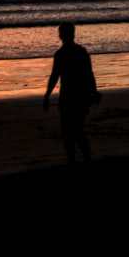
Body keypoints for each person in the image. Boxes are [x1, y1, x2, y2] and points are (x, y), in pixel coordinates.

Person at [43, 22, 102, 163]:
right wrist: (93, 92)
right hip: (79, 96)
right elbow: (89, 74)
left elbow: (54, 76)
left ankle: (76, 160)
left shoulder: (61, 54)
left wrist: (47, 96)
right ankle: (83, 158)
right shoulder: (80, 52)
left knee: (70, 132)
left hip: (71, 97)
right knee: (75, 130)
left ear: (61, 35)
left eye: (61, 33)